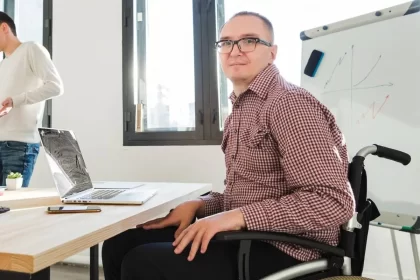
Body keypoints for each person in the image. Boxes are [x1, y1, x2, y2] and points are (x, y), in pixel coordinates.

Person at [101, 11, 355, 280]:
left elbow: (332, 202)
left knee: (144, 263)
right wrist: (200, 205)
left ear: (272, 53)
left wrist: (234, 217)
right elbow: (247, 195)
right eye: (226, 43)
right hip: (249, 236)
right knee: (120, 245)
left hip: (288, 248)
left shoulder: (288, 104)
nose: (235, 51)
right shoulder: (241, 109)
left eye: (249, 41)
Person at [0, 12, 63, 187]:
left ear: (4, 27)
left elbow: (55, 86)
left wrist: (15, 100)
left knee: (12, 208)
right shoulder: (4, 64)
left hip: (18, 146)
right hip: (1, 141)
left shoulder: (31, 49)